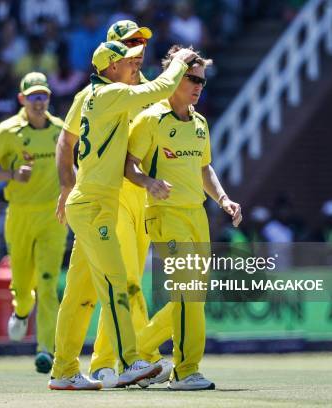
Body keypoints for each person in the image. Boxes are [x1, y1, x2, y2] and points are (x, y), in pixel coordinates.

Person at [49, 38, 198, 390]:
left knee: (77, 293)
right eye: (128, 60)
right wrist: (182, 61)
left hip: (91, 202)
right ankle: (131, 361)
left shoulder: (96, 95)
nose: (135, 64)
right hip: (96, 204)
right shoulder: (107, 93)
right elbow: (162, 87)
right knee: (116, 282)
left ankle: (64, 370)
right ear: (111, 67)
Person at [125, 45, 242, 390]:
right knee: (188, 291)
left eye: (201, 81)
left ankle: (139, 350)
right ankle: (185, 370)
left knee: (192, 296)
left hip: (197, 215)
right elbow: (128, 164)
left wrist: (223, 198)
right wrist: (148, 181)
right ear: (174, 77)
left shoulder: (200, 123)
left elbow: (204, 168)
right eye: (191, 78)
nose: (197, 86)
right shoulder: (151, 120)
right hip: (165, 215)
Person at [0, 72, 67, 374]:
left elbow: (72, 169)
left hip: (53, 216)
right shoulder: (8, 131)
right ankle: (20, 311)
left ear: (49, 99)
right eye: (33, 96)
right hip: (19, 213)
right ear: (22, 99)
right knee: (22, 283)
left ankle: (45, 349)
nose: (38, 102)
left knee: (47, 283)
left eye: (43, 95)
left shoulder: (61, 130)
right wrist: (13, 175)